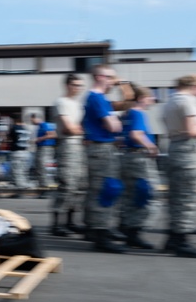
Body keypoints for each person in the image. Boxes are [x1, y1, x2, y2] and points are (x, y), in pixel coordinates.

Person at [161, 74, 196, 258]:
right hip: (188, 151)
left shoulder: (169, 102)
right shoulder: (190, 101)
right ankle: (181, 241)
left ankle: (173, 237)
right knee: (188, 199)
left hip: (175, 148)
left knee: (177, 197)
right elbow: (193, 131)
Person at [81, 65, 132, 253]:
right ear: (100, 77)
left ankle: (98, 229)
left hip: (102, 148)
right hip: (101, 149)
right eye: (111, 78)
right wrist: (115, 121)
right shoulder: (96, 98)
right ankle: (100, 234)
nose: (113, 82)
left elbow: (128, 103)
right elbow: (114, 127)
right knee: (105, 189)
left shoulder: (100, 99)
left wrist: (123, 85)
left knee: (102, 189)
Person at [118, 86, 158, 250]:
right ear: (141, 98)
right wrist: (151, 147)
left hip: (127, 157)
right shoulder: (138, 113)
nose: (153, 100)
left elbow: (120, 139)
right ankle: (135, 232)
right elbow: (136, 134)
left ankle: (127, 229)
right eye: (151, 97)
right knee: (147, 194)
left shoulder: (125, 114)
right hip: (139, 158)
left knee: (129, 195)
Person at [50, 74, 87, 236]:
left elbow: (78, 128)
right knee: (67, 184)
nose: (77, 88)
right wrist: (83, 131)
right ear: (67, 85)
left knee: (80, 186)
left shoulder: (78, 104)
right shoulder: (61, 102)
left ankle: (71, 221)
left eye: (80, 85)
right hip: (68, 145)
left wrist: (80, 130)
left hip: (80, 145)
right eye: (75, 85)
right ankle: (57, 224)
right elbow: (70, 129)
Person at [32, 113, 57, 196]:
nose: (32, 122)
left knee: (43, 168)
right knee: (42, 168)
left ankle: (47, 189)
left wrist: (39, 139)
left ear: (36, 118)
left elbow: (52, 135)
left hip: (45, 148)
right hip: (44, 148)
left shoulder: (44, 125)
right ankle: (44, 188)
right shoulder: (42, 126)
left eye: (32, 119)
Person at [8, 114, 31, 197]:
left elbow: (9, 138)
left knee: (17, 172)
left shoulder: (14, 128)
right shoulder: (26, 129)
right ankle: (23, 187)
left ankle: (20, 191)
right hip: (25, 152)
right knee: (24, 171)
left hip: (16, 152)